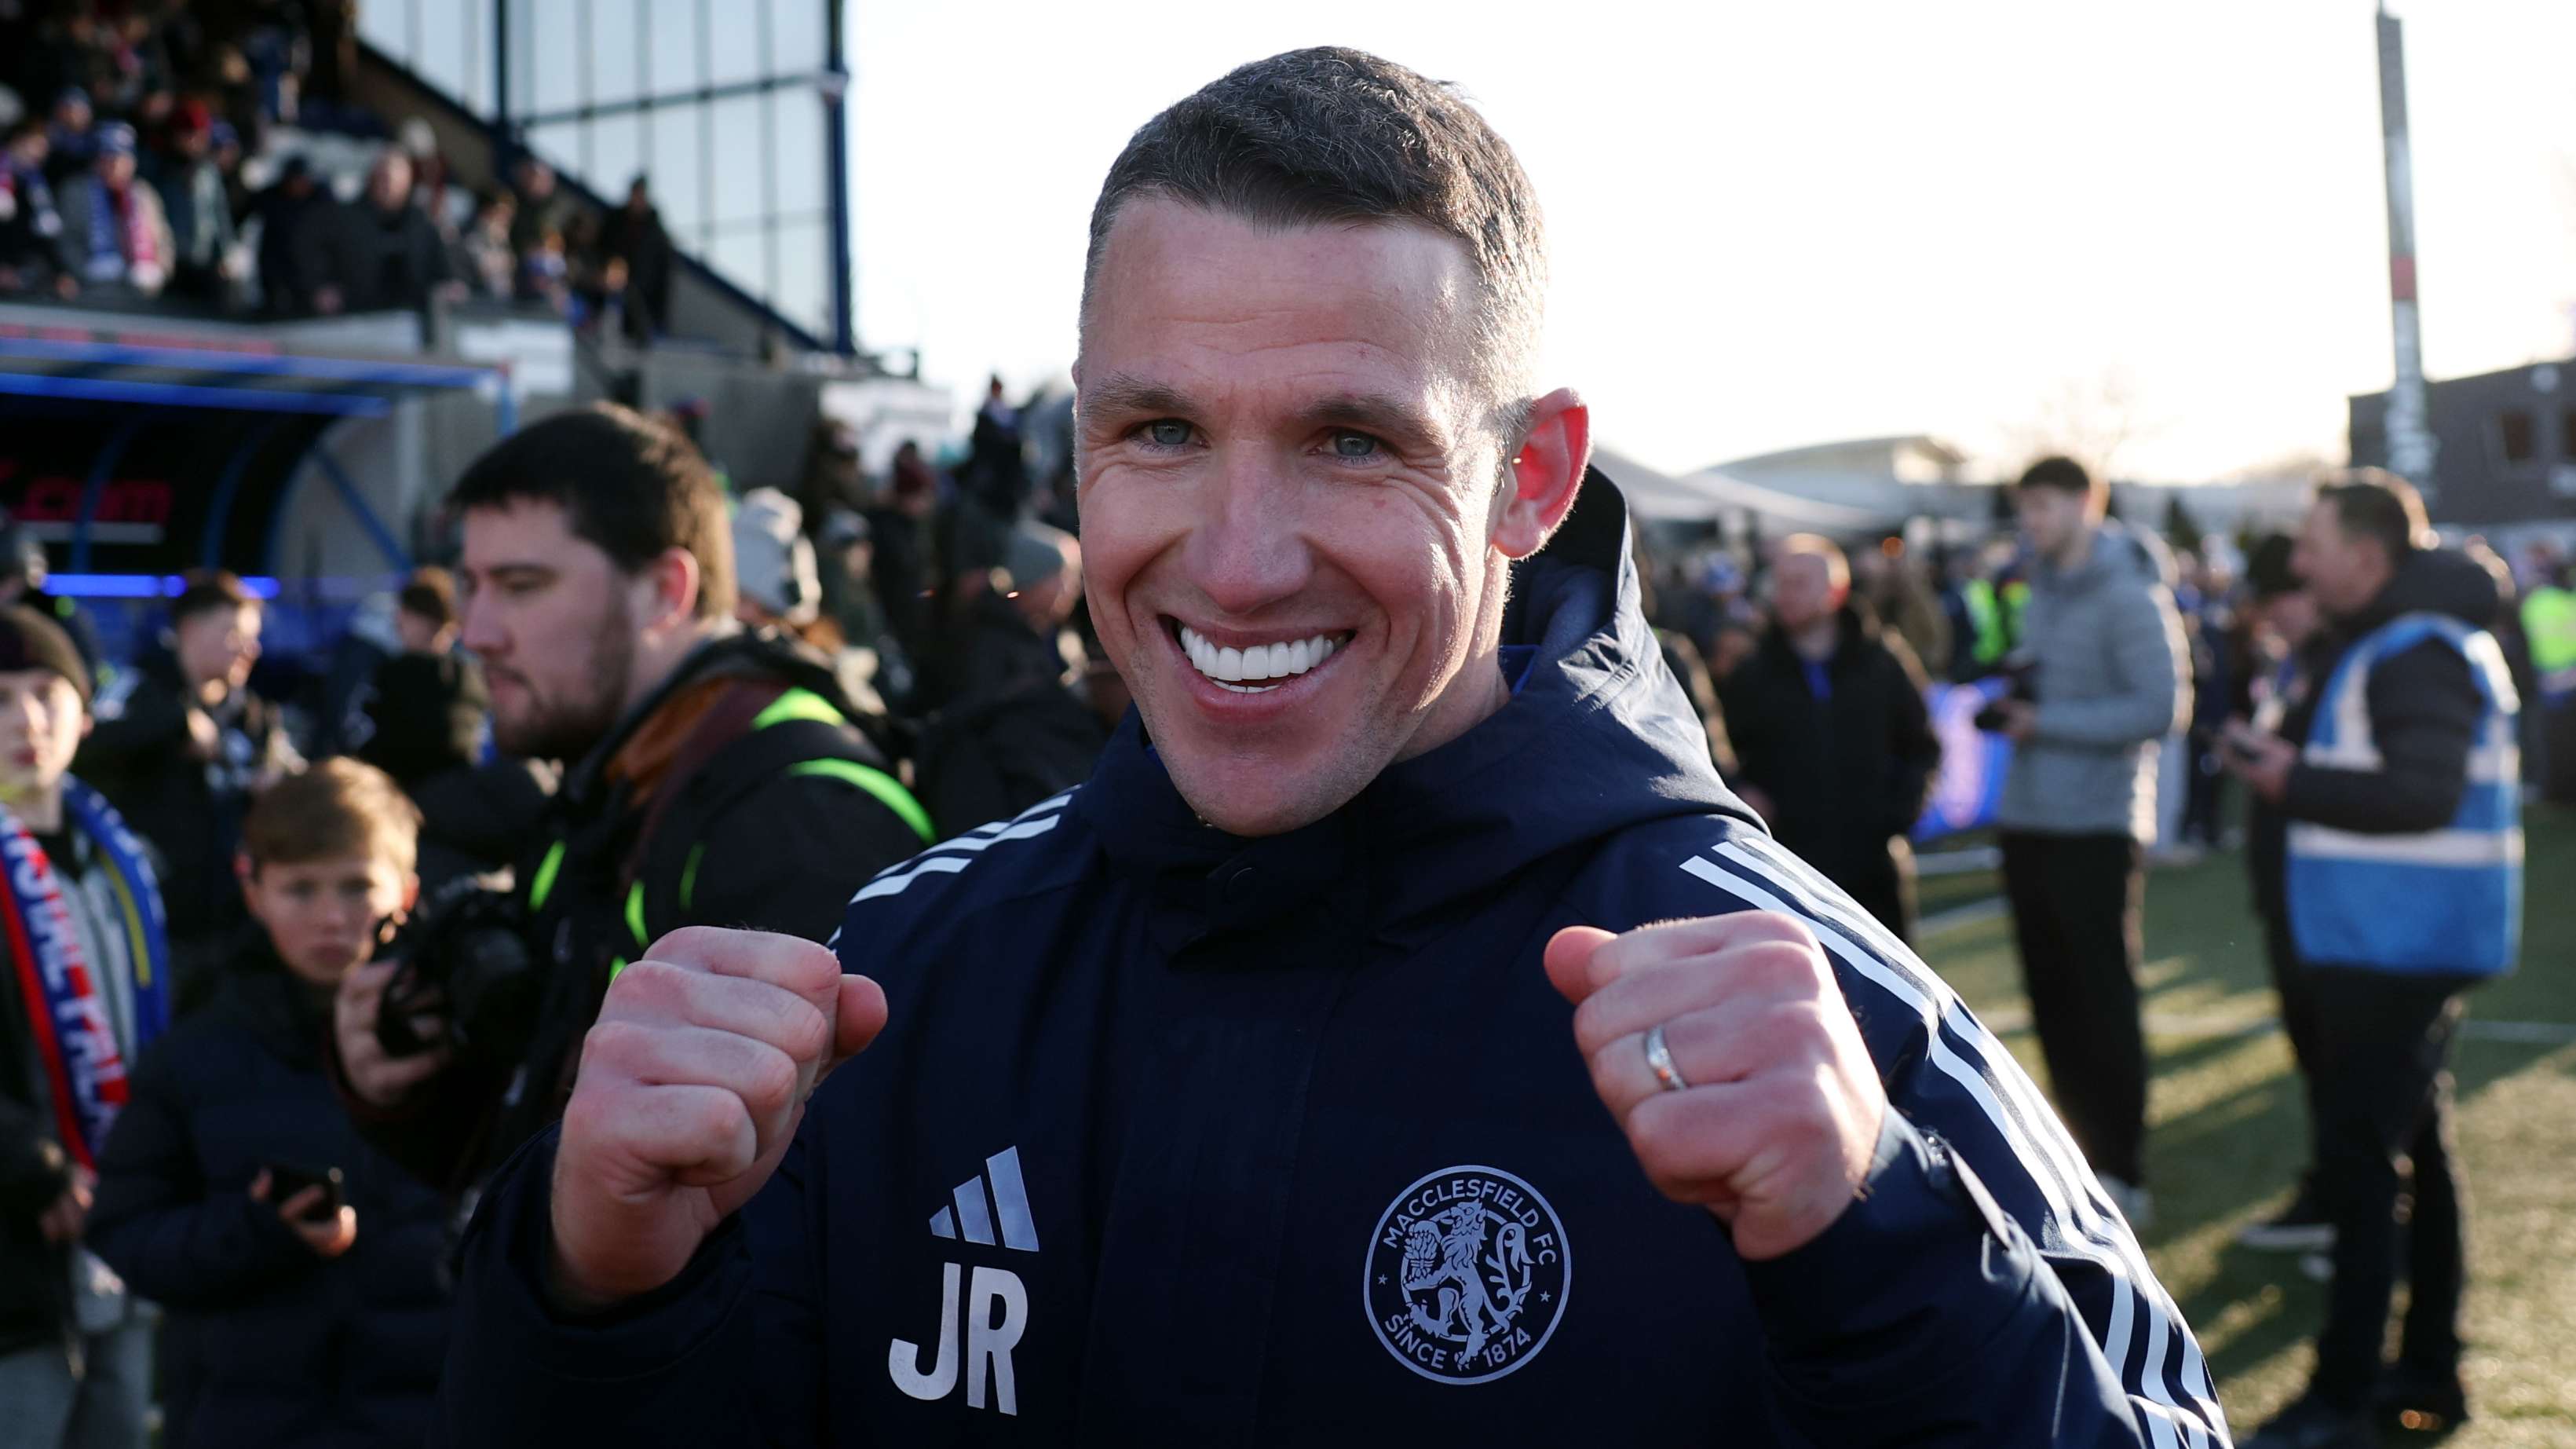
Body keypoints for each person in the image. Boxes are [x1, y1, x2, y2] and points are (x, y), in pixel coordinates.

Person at [435, 49, 2223, 1446]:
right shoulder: (909, 970)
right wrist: (592, 1289)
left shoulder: (1825, 1021)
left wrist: (1881, 1250)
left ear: (1526, 475)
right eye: (1157, 428)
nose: (1232, 556)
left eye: (1351, 442)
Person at [328, 404, 934, 1205]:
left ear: (664, 592)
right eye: (470, 586)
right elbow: (547, 1145)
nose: (475, 632)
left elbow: (801, 1235)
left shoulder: (799, 813)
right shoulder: (618, 775)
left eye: (520, 586)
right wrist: (396, 1087)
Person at [2221, 474, 2519, 1448]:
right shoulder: (2398, 638)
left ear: (2366, 553)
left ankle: (2344, 1394)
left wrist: (2287, 777)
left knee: (2363, 1177)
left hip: (2393, 945)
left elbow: (2420, 792)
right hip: (2384, 939)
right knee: (2412, 1166)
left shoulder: (2414, 647)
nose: (2297, 564)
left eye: (2312, 544)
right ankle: (2426, 1372)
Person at [87, 761, 451, 1449]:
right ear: (252, 888)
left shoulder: (462, 1047)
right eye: (300, 889)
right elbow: (124, 1228)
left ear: (404, 891)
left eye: (355, 886)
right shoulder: (195, 1053)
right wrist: (254, 1233)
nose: (331, 916)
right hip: (244, 1420)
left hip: (424, 1416)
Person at [1988, 455, 2190, 1224]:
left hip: (2096, 827)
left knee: (2100, 1000)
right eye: (2023, 507)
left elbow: (2159, 709)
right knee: (2050, 998)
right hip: (2026, 817)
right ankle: (2077, 1158)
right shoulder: (2034, 588)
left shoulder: (2132, 595)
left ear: (2085, 503)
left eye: (2041, 506)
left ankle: (2122, 1166)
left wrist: (2047, 723)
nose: (2030, 522)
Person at [0, 607, 167, 1449]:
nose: (26, 722)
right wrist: (32, 1164)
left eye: (44, 694)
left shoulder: (125, 859)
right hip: (18, 1256)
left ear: (86, 713)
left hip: (123, 1240)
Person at [78, 571, 291, 1012]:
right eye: (234, 635)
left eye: (253, 638)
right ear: (190, 630)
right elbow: (85, 749)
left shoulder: (254, 715)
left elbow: (289, 776)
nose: (248, 650)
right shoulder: (138, 689)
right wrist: (173, 728)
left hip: (235, 928)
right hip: (155, 928)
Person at [1719, 536, 1942, 942]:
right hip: (1791, 865)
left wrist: (1900, 813)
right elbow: (1718, 750)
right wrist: (1742, 794)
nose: (1785, 594)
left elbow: (1923, 746)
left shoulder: (1882, 660)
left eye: (1800, 582)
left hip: (1875, 863)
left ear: (1835, 590)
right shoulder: (1753, 672)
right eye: (1780, 582)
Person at [2228, 536, 2334, 1259]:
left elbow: (2332, 779)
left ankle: (2358, 1214)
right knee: (2318, 1057)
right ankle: (2333, 1195)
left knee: (2346, 1067)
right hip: (2289, 886)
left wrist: (2269, 762)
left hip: (2323, 894)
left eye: (2276, 605)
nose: (2270, 621)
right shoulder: (2305, 661)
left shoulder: (2344, 662)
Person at [911, 519, 1111, 834]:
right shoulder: (989, 642)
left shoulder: (1039, 633)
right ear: (1032, 580)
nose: (1072, 590)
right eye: (1064, 578)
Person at [308, 150, 454, 316]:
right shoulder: (345, 219)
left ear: (408, 181)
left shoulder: (421, 224)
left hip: (413, 316)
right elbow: (316, 257)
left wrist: (447, 285)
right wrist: (321, 286)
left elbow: (440, 268)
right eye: (383, 178)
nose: (389, 185)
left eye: (395, 179)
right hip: (358, 316)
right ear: (372, 179)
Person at [53, 123, 170, 299]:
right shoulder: (76, 192)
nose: (115, 166)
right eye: (108, 158)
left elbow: (163, 241)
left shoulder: (144, 194)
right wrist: (85, 270)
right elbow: (66, 239)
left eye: (122, 158)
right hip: (91, 290)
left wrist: (159, 271)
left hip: (143, 292)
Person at [597, 175, 672, 342]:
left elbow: (663, 276)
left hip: (642, 294)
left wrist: (661, 317)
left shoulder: (656, 234)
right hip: (608, 287)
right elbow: (600, 249)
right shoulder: (614, 222)